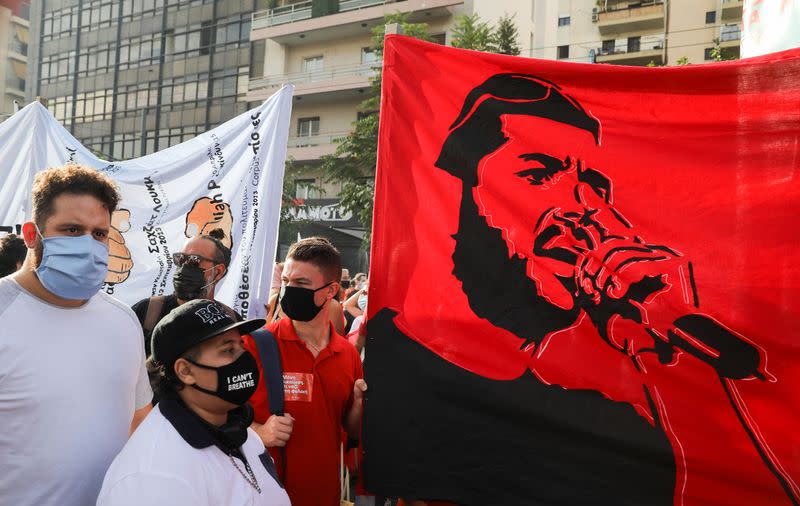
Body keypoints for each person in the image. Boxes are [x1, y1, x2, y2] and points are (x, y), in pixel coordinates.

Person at [367, 73, 790, 504]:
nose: (586, 209)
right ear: (460, 194)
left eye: (595, 186)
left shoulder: (609, 411)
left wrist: (677, 360)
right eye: (539, 175)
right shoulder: (396, 356)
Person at [0, 165, 152, 505]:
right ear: (30, 234)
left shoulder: (124, 321)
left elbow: (139, 418)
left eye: (99, 234)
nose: (87, 245)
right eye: (71, 230)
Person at [97, 299, 289, 506]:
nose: (244, 358)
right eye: (227, 350)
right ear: (185, 371)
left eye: (241, 345)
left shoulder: (239, 432)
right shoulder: (155, 476)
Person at [244, 236, 367, 506]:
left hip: (325, 496)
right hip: (262, 496)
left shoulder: (346, 354)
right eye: (286, 281)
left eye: (300, 283)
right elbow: (217, 417)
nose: (289, 290)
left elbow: (351, 427)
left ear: (330, 291)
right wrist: (259, 432)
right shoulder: (254, 345)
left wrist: (359, 403)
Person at [132, 227, 239, 357]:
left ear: (218, 271)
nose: (184, 267)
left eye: (194, 260)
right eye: (180, 259)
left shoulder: (231, 322)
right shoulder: (146, 311)